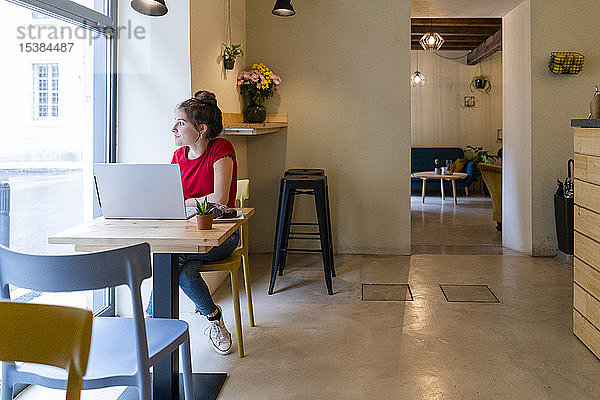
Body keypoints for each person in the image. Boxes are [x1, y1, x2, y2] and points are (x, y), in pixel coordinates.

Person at [146, 92, 238, 355]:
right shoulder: (177, 157)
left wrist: (185, 200)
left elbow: (220, 199)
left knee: (170, 258)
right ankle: (214, 317)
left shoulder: (221, 149)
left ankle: (151, 320)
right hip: (188, 238)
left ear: (201, 129)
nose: (173, 128)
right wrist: (191, 201)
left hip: (223, 236)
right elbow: (170, 200)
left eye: (181, 123)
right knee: (184, 271)